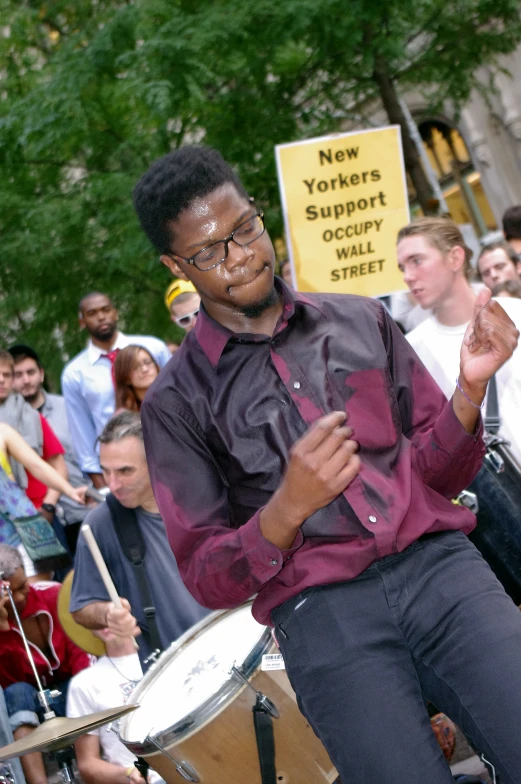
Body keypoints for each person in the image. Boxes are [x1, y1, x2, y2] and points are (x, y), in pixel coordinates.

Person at [133, 145, 521, 784]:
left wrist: (468, 393)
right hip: (324, 618)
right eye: (210, 252)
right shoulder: (176, 404)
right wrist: (287, 507)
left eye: (245, 230)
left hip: (442, 573)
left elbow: (435, 475)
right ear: (176, 266)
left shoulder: (360, 317)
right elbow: (207, 576)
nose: (242, 256)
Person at [70, 411, 208, 667]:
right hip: (174, 674)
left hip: (239, 642)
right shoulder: (100, 523)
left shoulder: (203, 496)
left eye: (125, 471)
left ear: (156, 461)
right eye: (105, 471)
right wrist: (108, 614)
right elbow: (81, 608)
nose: (112, 484)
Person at [400, 219, 521, 468]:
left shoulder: (515, 312)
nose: (408, 277)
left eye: (417, 260)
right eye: (402, 267)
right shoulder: (411, 353)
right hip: (498, 495)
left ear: (455, 258)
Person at [0, 545, 91, 784]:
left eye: (23, 587)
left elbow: (82, 654)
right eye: (10, 593)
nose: (19, 598)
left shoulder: (54, 594)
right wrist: (4, 631)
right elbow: (10, 684)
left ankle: (90, 764)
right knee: (17, 692)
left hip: (70, 692)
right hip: (29, 707)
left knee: (85, 683)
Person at [61, 293, 170, 489]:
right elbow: (82, 432)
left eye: (106, 310)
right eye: (92, 313)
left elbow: (178, 395)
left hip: (168, 449)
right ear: (82, 322)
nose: (101, 317)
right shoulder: (74, 373)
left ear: (115, 313)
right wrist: (103, 486)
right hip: (121, 466)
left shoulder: (152, 348)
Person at [9, 345, 91, 552]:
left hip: (80, 509)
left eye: (30, 372)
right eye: (18, 375)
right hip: (35, 518)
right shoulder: (7, 423)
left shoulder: (69, 407)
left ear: (41, 374)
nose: (26, 380)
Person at [67, 627, 162, 784]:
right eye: (94, 614)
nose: (104, 620)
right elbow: (87, 764)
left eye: (108, 607)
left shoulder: (163, 655)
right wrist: (128, 773)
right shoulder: (84, 683)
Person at [0, 422, 86, 579]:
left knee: (38, 594)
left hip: (23, 529)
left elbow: (36, 465)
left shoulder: (3, 431)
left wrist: (69, 490)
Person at [114, 346, 160, 413]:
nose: (145, 369)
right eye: (135, 367)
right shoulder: (124, 416)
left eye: (148, 362)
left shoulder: (175, 397)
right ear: (125, 378)